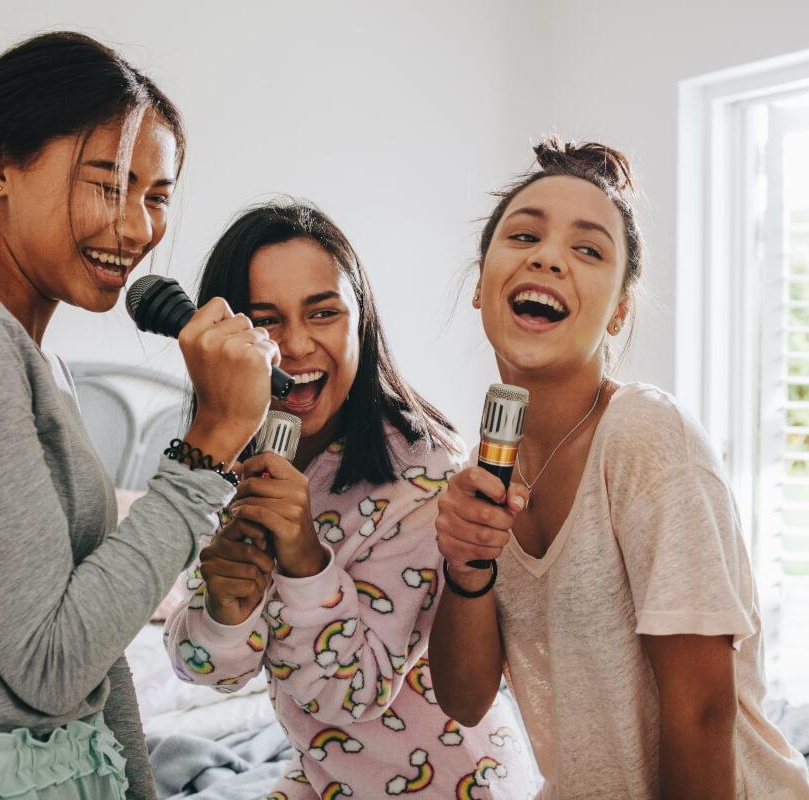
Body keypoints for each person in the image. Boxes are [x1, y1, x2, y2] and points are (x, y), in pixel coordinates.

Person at [0, 32, 280, 799]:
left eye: (157, 195)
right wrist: (209, 442)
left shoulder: (36, 362)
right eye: (107, 183)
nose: (138, 227)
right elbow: (51, 663)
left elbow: (98, 646)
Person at [428, 138, 809, 799]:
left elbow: (702, 712)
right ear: (480, 285)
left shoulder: (643, 436)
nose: (547, 256)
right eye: (524, 235)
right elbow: (464, 701)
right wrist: (465, 569)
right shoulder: (487, 469)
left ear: (618, 311)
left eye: (588, 250)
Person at [164, 200, 535, 799]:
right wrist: (228, 610)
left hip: (454, 785)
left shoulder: (422, 472)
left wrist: (306, 561)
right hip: (331, 778)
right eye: (266, 321)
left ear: (361, 320)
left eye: (323, 313)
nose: (297, 345)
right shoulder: (224, 465)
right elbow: (207, 669)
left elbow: (352, 693)